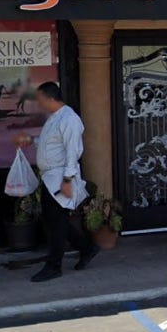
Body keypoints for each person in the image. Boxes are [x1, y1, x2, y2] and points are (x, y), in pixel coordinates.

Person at [31, 81, 97, 283]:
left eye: (40, 99)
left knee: (55, 223)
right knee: (54, 220)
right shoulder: (55, 118)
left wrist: (67, 180)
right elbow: (52, 145)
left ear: (51, 98)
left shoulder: (69, 119)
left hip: (60, 177)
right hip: (51, 177)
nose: (38, 103)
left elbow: (72, 151)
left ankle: (54, 266)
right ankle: (87, 248)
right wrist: (30, 140)